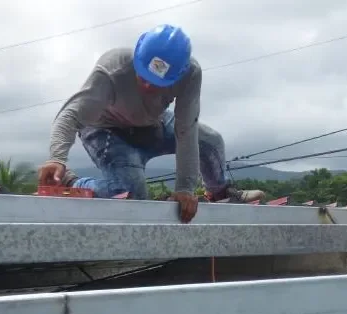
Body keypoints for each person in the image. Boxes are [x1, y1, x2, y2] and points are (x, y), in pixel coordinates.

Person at [37, 24, 264, 223]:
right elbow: (70, 114)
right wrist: (57, 158)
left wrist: (185, 189)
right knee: (129, 194)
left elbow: (186, 130)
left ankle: (220, 192)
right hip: (106, 130)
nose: (147, 86)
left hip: (152, 123)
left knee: (210, 141)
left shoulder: (190, 74)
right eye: (143, 76)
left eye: (156, 82)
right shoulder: (113, 68)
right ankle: (73, 183)